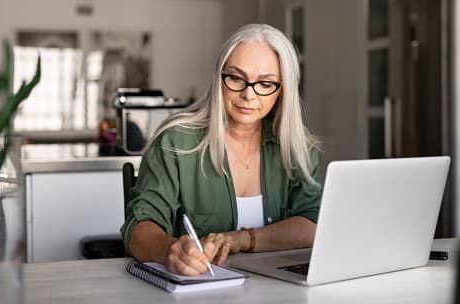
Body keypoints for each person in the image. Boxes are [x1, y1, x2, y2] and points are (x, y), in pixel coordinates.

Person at [121, 24, 322, 276]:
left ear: (282, 90)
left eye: (265, 83)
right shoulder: (175, 141)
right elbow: (139, 227)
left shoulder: (297, 147)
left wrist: (240, 239)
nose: (249, 95)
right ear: (219, 78)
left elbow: (312, 225)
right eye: (237, 78)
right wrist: (169, 250)